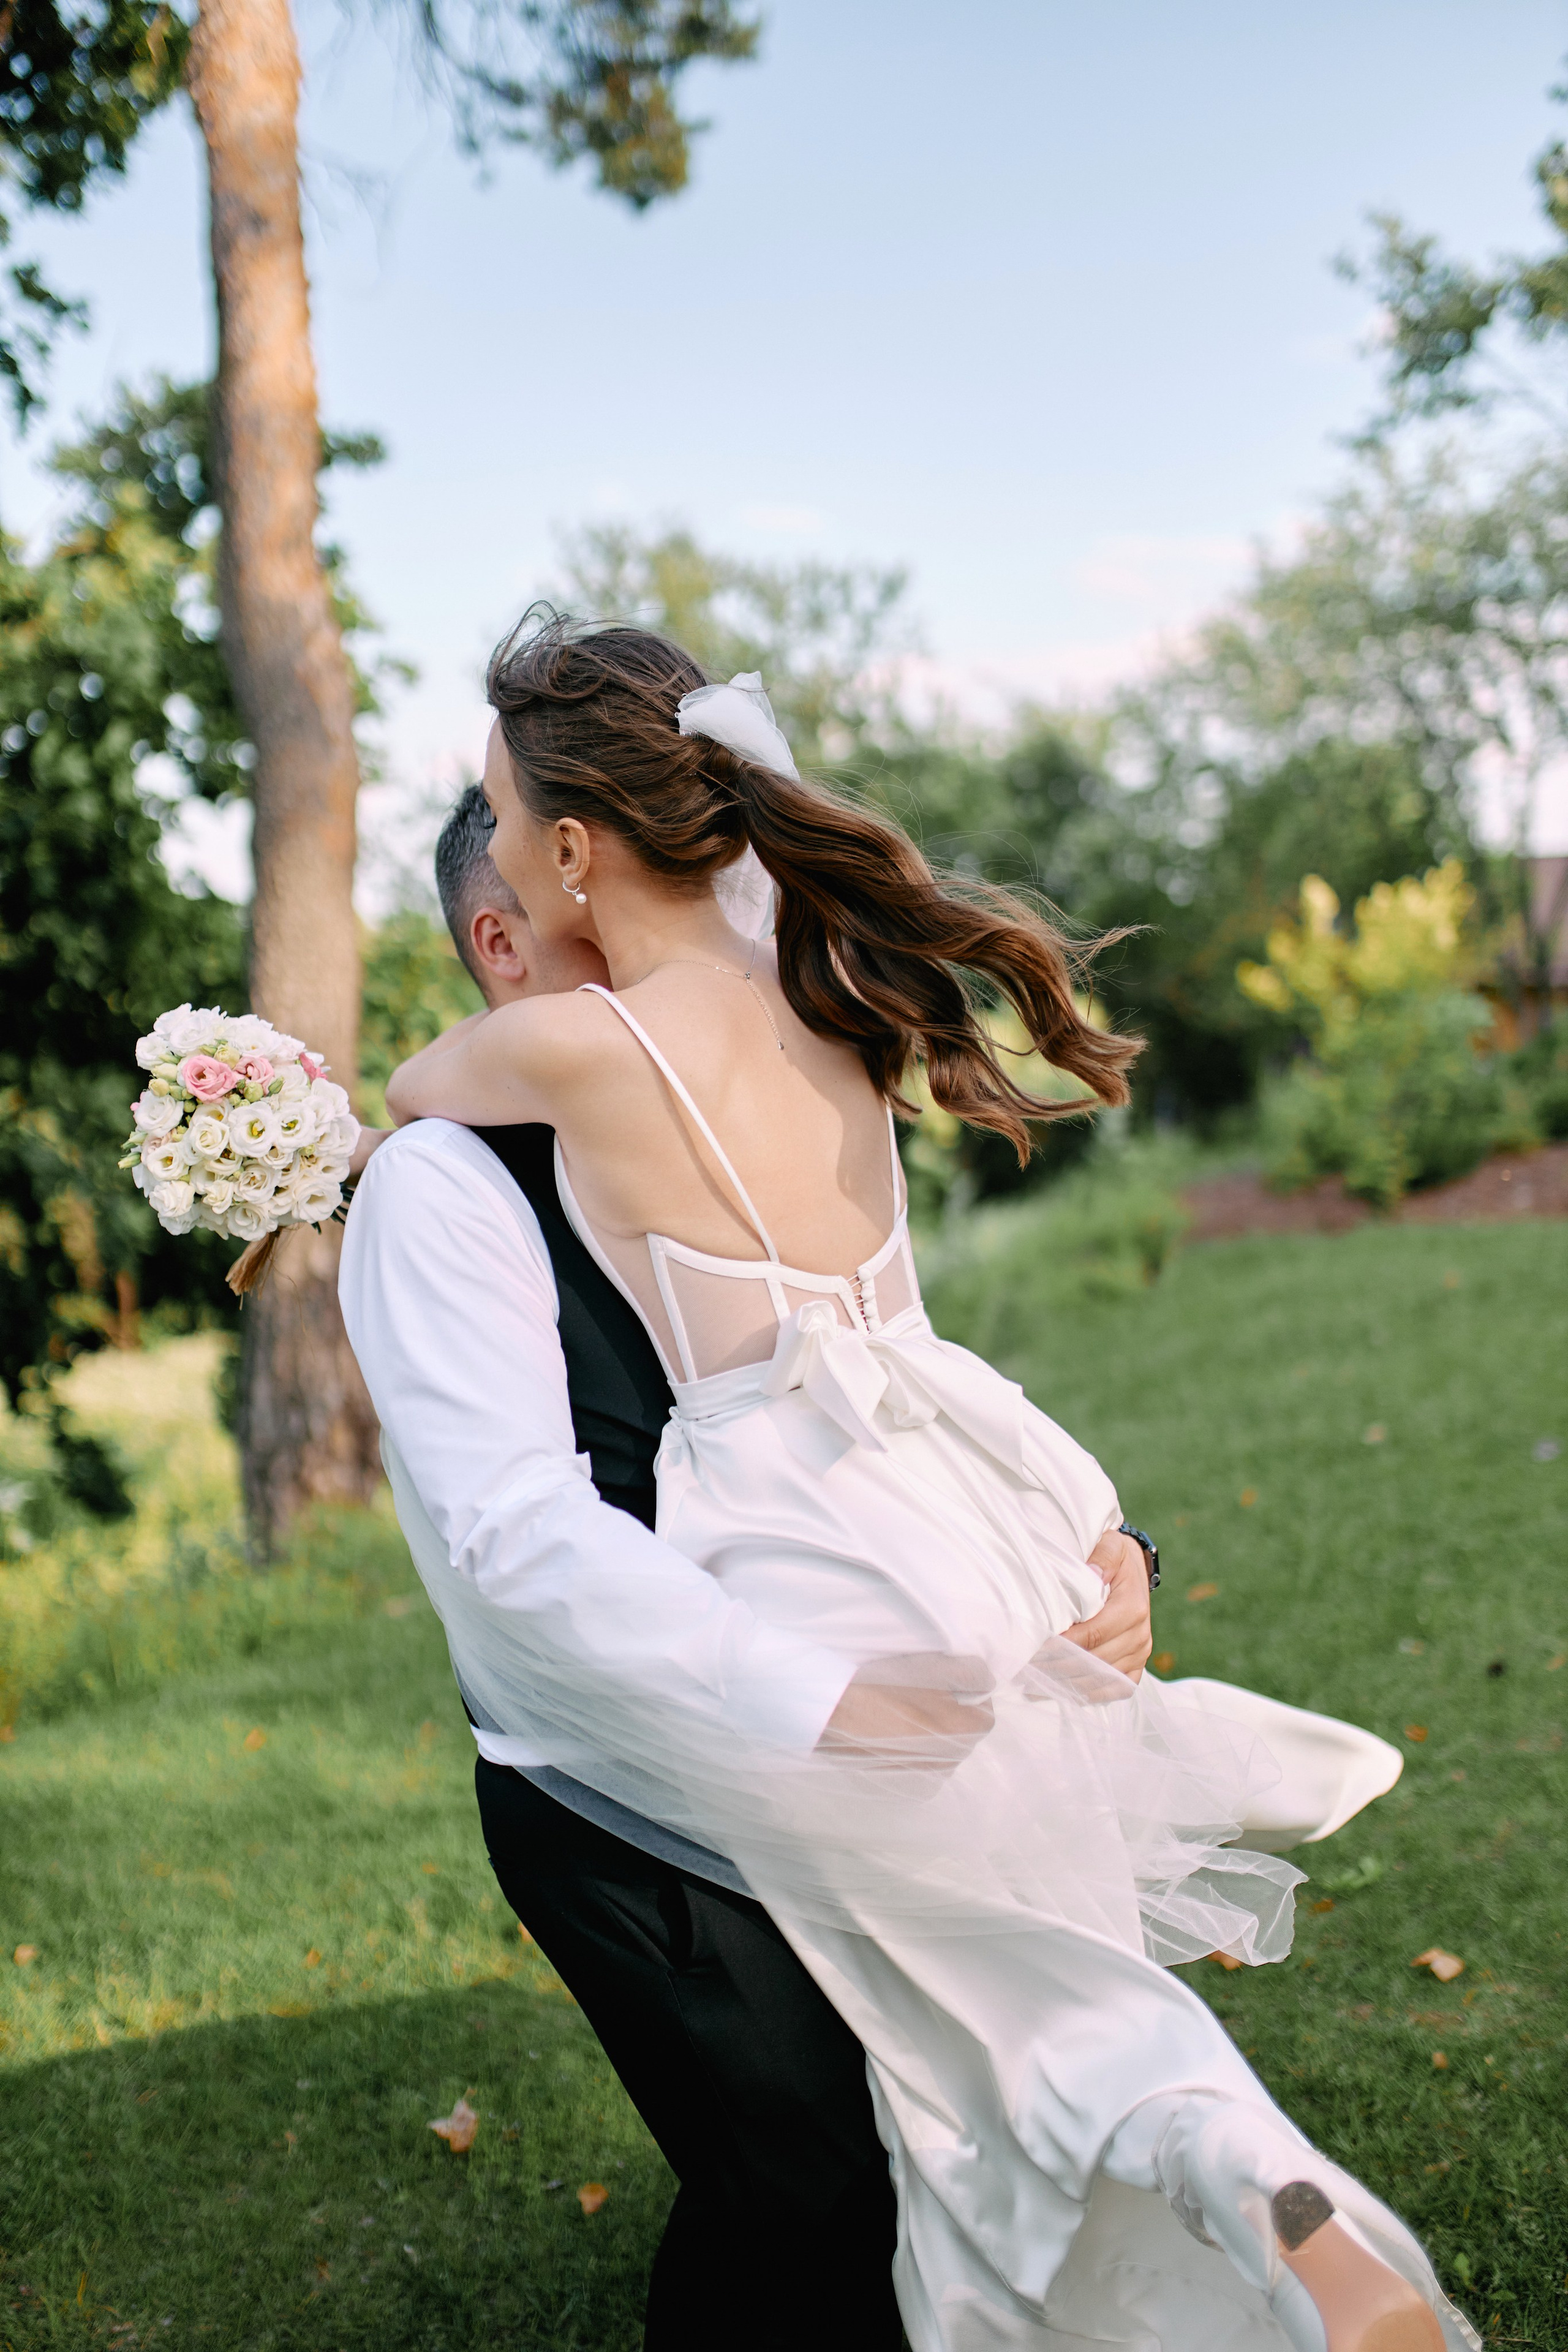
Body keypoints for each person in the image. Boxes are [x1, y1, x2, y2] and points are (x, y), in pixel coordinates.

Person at [374, 619, 1474, 2352]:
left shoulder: (578, 1062)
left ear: (572, 855)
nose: (498, 836)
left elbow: (413, 1085)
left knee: (962, 2022)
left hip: (797, 1557)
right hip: (961, 1515)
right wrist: (1085, 1524)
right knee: (1042, 1956)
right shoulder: (834, 1010)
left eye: (512, 813)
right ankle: (1259, 2191)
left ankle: (1019, 2268)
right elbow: (914, 1347)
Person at [345, 784, 1161, 2348]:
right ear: (511, 939)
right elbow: (513, 1539)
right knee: (809, 2197)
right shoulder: (443, 1188)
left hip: (874, 1733)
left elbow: (886, 1375)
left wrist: (1097, 1540)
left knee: (971, 2124)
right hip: (639, 1789)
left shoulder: (740, 1101)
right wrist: (816, 1695)